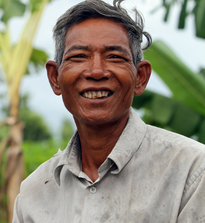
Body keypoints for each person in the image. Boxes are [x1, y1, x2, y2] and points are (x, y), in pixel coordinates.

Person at [12, 0, 205, 222]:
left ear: (140, 77)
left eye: (115, 57)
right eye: (78, 57)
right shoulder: (34, 193)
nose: (96, 71)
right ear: (55, 78)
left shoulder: (192, 171)